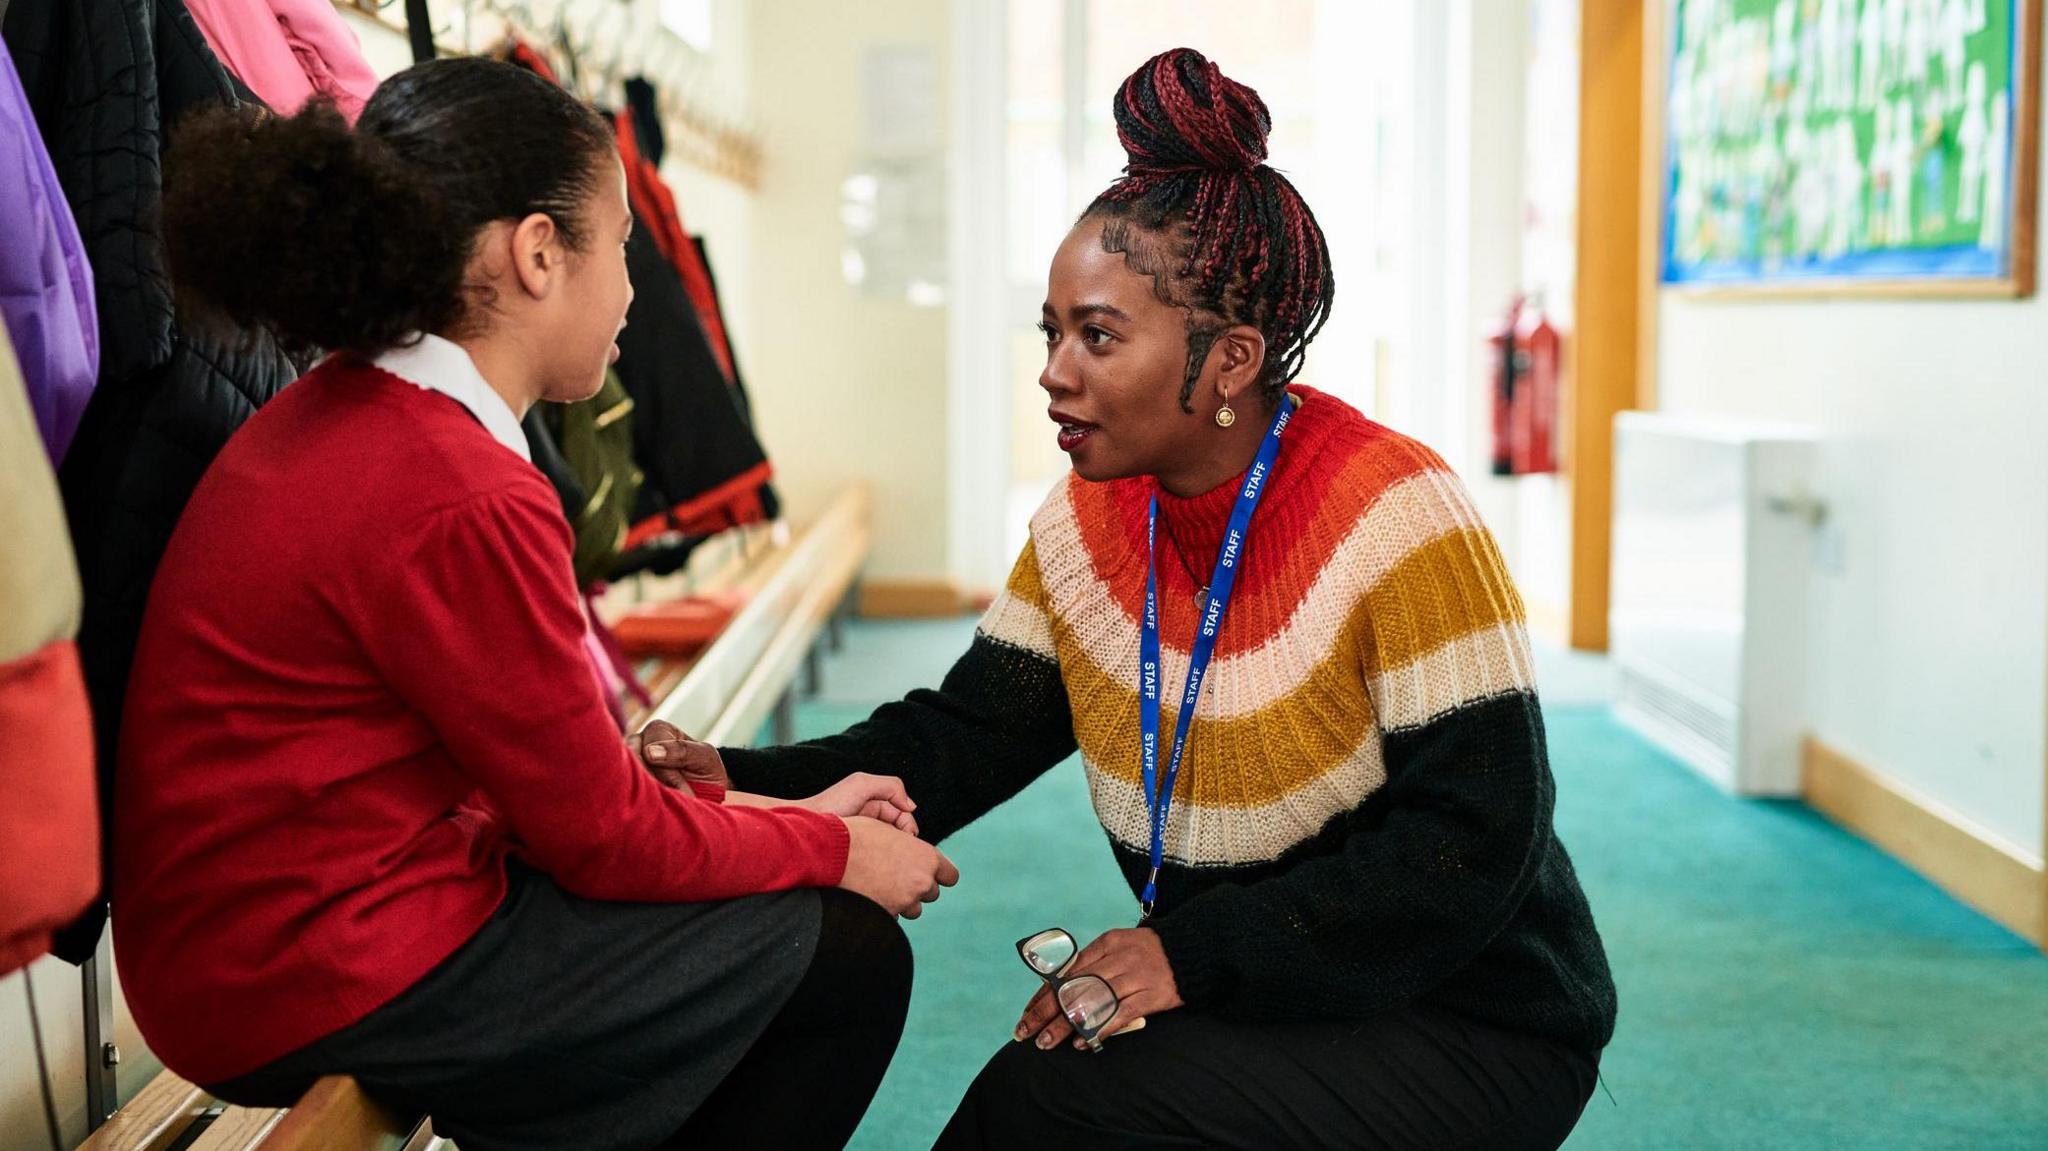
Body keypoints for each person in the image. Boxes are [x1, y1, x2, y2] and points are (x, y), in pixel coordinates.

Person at [704, 48, 1617, 1149]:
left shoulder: (1395, 513)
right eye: (1050, 331)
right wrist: (728, 782)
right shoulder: (1088, 521)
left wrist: (1187, 955)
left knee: (1046, 1105)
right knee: (1044, 1093)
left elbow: (1471, 841)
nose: (1052, 369)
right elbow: (960, 737)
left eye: (1097, 334)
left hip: (1469, 1016)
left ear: (1229, 360)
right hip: (1268, 982)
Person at [112, 57, 955, 1151]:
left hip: (254, 944)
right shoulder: (457, 485)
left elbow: (557, 803)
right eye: (621, 245)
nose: (634, 290)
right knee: (845, 955)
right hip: (301, 967)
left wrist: (776, 817)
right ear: (539, 253)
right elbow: (604, 843)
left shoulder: (358, 409)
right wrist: (833, 852)